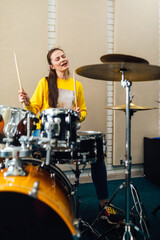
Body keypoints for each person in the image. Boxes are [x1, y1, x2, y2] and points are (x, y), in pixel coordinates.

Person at [19, 48, 121, 224]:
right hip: (47, 135)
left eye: (63, 56)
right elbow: (34, 109)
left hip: (68, 134)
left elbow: (83, 111)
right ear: (52, 65)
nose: (62, 59)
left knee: (97, 153)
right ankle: (46, 202)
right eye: (57, 58)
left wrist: (78, 114)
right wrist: (28, 102)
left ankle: (103, 205)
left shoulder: (77, 85)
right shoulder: (44, 83)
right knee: (38, 157)